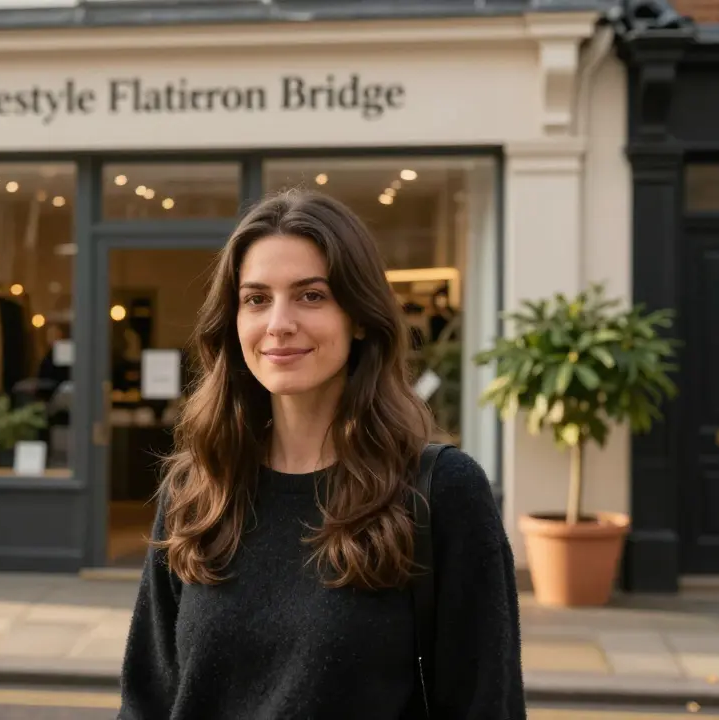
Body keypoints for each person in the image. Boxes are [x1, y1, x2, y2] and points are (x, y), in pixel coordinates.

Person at [117, 190, 524, 719]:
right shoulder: (199, 488)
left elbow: (485, 707)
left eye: (311, 296)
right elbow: (146, 703)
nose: (278, 323)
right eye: (256, 299)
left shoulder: (440, 491)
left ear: (359, 316)